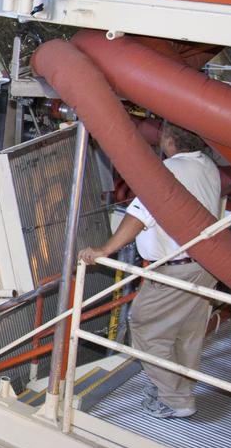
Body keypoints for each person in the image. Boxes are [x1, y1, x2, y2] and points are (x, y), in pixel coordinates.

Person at [78, 121, 222, 419]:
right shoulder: (207, 165)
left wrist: (105, 250)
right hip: (205, 263)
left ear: (169, 139)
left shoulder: (166, 173)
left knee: (144, 325)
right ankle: (180, 389)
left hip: (175, 269)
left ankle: (175, 399)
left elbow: (140, 216)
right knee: (187, 333)